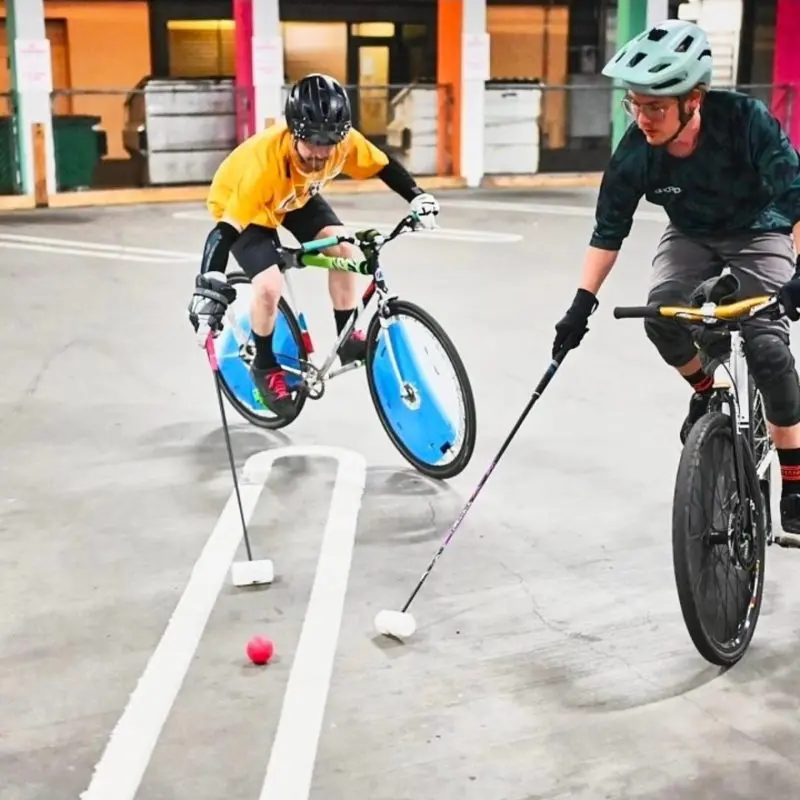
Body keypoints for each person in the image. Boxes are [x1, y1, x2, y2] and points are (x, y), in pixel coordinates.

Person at [549, 19, 800, 534]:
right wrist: (581, 305)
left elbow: (797, 201)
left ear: (695, 100)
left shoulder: (746, 121)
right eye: (634, 104)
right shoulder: (636, 151)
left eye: (655, 107)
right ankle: (706, 388)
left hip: (761, 231)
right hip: (691, 235)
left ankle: (795, 477)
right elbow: (607, 232)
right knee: (661, 314)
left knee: (768, 347)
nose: (642, 118)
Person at [187, 72, 440, 418]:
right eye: (312, 142)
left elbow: (383, 165)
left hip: (295, 198)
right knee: (268, 285)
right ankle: (264, 366)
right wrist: (209, 281)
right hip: (249, 207)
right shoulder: (264, 167)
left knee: (343, 250)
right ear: (293, 131)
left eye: (330, 142)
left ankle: (347, 338)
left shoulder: (343, 143)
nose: (321, 153)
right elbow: (225, 230)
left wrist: (417, 196)